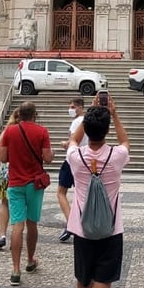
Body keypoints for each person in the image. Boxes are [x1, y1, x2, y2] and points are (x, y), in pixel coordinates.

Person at [66, 98, 130, 288]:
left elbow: (72, 140)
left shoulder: (75, 157)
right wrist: (112, 115)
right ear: (106, 132)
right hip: (111, 231)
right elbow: (126, 142)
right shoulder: (117, 157)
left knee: (83, 286)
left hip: (82, 231)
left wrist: (88, 115)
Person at [0, 100, 53, 285]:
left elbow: (3, 157)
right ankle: (30, 260)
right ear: (35, 115)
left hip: (15, 183)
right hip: (34, 183)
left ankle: (15, 270)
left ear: (19, 115)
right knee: (32, 223)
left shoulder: (9, 132)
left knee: (17, 225)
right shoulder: (42, 132)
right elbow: (47, 158)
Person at [0, 108, 20, 250]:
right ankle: (17, 234)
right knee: (20, 205)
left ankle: (2, 235)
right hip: (22, 172)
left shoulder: (6, 132)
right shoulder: (29, 131)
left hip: (6, 171)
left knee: (4, 203)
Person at [57, 97, 87, 242]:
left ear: (80, 107)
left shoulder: (77, 122)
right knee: (80, 193)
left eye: (73, 106)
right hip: (85, 161)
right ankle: (78, 222)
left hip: (72, 160)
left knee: (61, 192)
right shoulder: (89, 120)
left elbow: (73, 141)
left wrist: (65, 144)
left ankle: (71, 223)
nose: (70, 109)